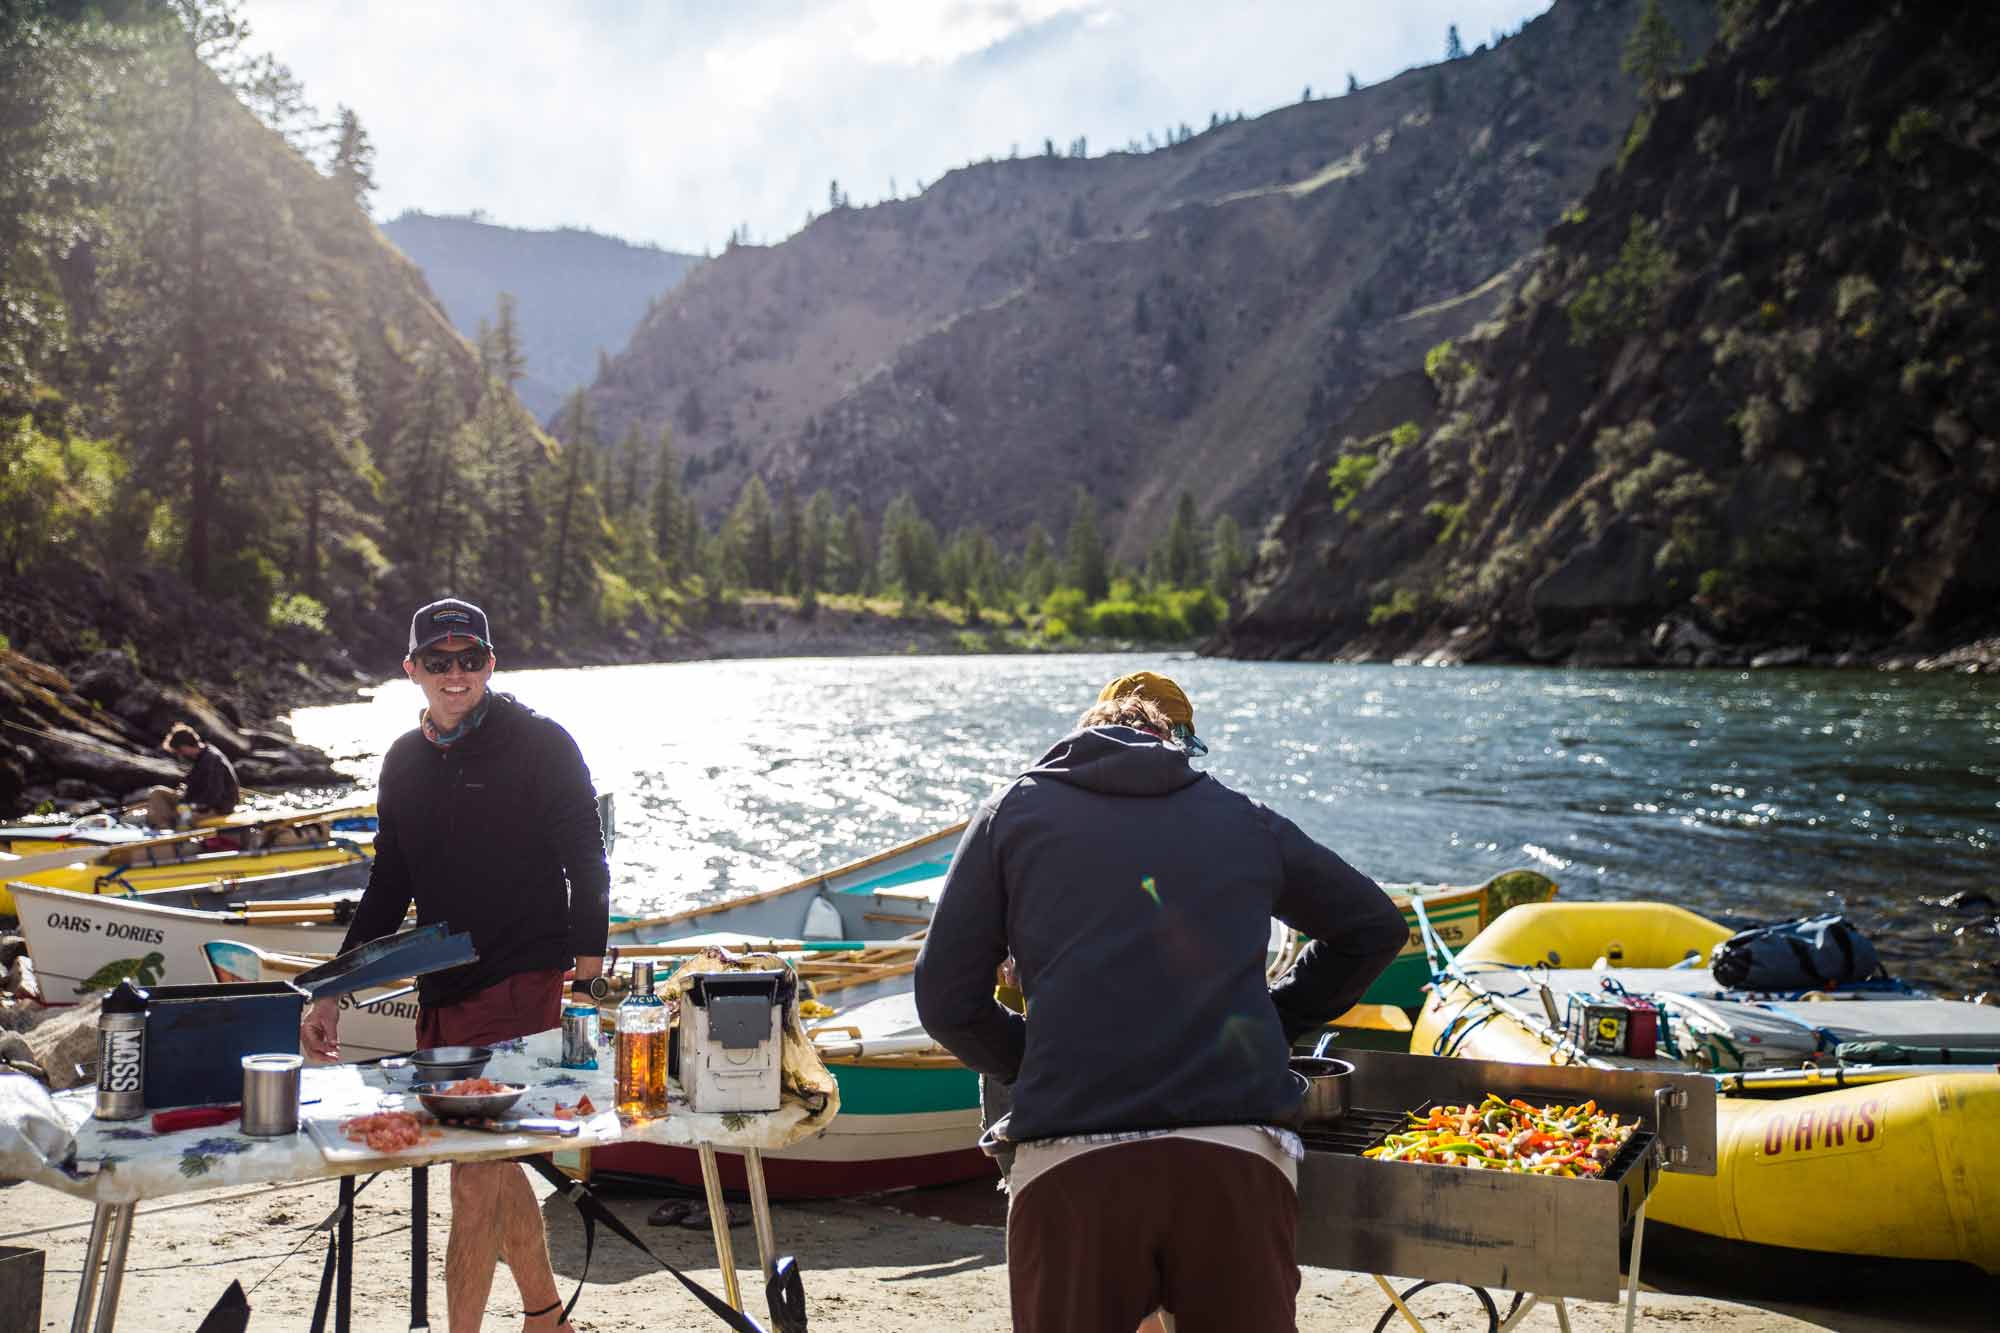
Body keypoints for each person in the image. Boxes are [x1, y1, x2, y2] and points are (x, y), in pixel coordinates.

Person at [915, 671, 1407, 1333]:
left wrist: (1034, 1060)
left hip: (1072, 1161)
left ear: (1082, 736)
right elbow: (1374, 927)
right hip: (1236, 1154)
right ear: (1173, 742)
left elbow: (945, 998)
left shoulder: (1013, 812)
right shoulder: (1243, 816)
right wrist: (1269, 1023)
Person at [300, 597, 610, 1333]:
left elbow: (587, 862)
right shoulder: (404, 761)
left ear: (491, 664)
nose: (455, 673)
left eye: (470, 658)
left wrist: (588, 973)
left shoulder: (540, 742)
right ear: (412, 669)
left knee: (473, 1178)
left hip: (522, 982)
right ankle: (545, 1318)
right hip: (445, 992)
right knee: (492, 1172)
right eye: (438, 661)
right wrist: (334, 990)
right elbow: (388, 885)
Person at [141, 723, 240, 828]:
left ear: (185, 747)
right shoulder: (199, 758)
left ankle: (172, 834)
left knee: (182, 818)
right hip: (197, 802)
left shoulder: (213, 759)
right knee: (157, 793)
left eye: (180, 751)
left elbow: (213, 794)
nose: (180, 755)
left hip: (217, 807)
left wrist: (187, 807)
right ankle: (161, 827)